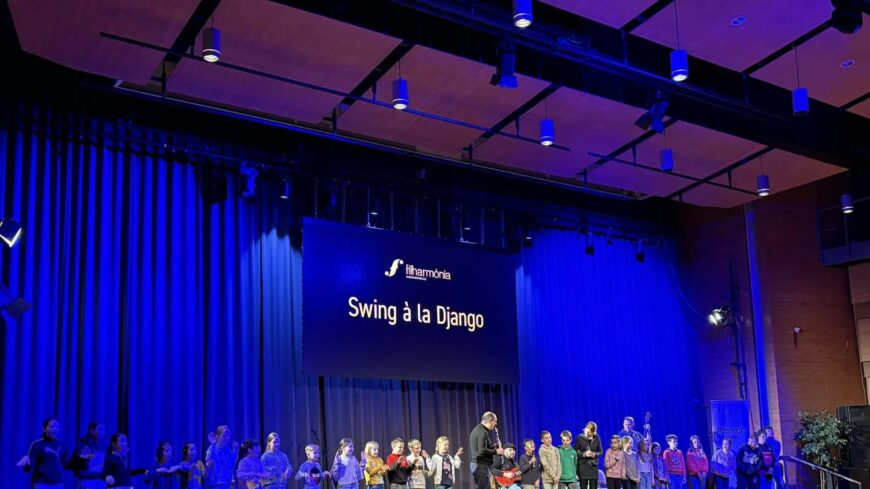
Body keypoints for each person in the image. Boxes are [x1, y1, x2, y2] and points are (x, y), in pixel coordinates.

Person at [17, 418, 71, 489]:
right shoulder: (37, 444)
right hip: (41, 484)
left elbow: (67, 465)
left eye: (57, 427)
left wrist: (78, 459)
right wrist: (26, 462)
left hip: (58, 484)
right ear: (44, 429)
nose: (54, 429)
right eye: (51, 427)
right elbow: (28, 469)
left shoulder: (62, 445)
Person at [470, 411, 504, 489]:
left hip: (479, 465)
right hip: (480, 465)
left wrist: (493, 447)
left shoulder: (479, 429)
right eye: (495, 421)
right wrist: (496, 451)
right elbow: (482, 451)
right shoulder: (482, 431)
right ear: (490, 421)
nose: (496, 424)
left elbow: (481, 448)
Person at [72, 421, 108, 489]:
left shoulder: (104, 446)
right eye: (99, 429)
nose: (102, 432)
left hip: (100, 481)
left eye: (103, 430)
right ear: (91, 430)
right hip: (87, 481)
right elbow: (76, 464)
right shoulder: (83, 445)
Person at [574, 422, 603, 489]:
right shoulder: (580, 438)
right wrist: (584, 454)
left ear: (594, 432)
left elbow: (600, 452)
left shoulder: (597, 437)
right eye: (588, 432)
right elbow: (574, 451)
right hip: (583, 466)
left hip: (593, 467)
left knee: (593, 487)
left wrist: (595, 454)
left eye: (590, 432)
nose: (589, 434)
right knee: (583, 486)